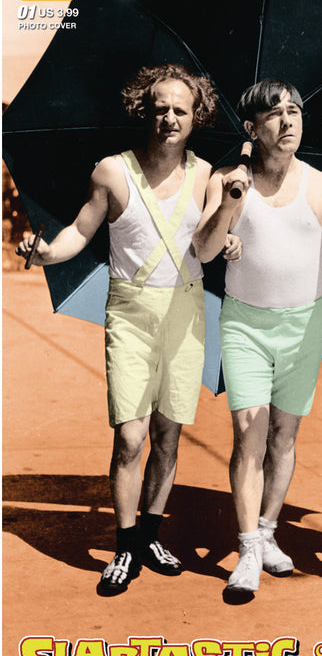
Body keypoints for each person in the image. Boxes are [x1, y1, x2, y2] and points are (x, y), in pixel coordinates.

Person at [16, 64, 241, 596]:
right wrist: (47, 252)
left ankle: (151, 536)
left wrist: (230, 233)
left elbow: (211, 244)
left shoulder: (209, 176)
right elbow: (79, 231)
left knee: (167, 435)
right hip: (131, 311)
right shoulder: (112, 172)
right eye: (160, 108)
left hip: (186, 311)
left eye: (180, 110)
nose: (170, 118)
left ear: (197, 116)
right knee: (131, 437)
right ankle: (124, 545)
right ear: (145, 110)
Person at [193, 78, 322, 595]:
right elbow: (205, 251)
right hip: (245, 324)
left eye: (294, 111)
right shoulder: (225, 179)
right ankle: (247, 549)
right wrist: (229, 205)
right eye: (275, 113)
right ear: (251, 128)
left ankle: (268, 531)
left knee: (283, 436)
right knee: (249, 433)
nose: (288, 121)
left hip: (304, 324)